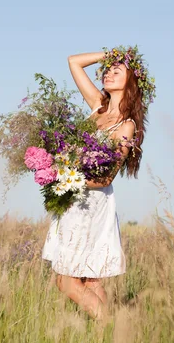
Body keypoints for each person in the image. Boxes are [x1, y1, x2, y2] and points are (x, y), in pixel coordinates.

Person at [41, 46, 155, 321]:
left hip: (92, 203)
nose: (109, 73)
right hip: (74, 200)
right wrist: (111, 55)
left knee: (66, 282)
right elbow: (74, 61)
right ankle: (110, 339)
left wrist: (64, 176)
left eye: (118, 70)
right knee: (90, 281)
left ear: (131, 82)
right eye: (108, 69)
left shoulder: (126, 126)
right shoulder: (97, 106)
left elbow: (107, 177)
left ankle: (110, 327)